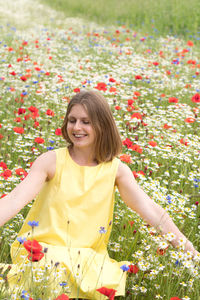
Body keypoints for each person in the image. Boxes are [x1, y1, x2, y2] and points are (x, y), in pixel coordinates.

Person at [0, 90, 198, 299]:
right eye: (72, 120)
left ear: (102, 125)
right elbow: (14, 200)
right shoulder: (51, 161)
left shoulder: (116, 170)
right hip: (43, 252)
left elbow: (150, 210)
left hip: (87, 257)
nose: (77, 127)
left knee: (94, 276)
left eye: (86, 122)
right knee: (52, 270)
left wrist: (189, 251)